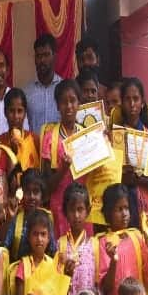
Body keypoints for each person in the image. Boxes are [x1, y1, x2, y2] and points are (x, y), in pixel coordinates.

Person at [40, 79, 87, 239]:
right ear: (58, 106)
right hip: (59, 207)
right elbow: (46, 187)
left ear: (79, 103)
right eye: (63, 102)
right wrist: (63, 169)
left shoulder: (87, 136)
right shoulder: (50, 138)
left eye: (73, 100)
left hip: (83, 207)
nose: (69, 106)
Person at [97, 184, 148, 295]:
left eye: (126, 208)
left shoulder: (137, 236)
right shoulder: (103, 242)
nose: (125, 214)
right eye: (119, 209)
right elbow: (106, 287)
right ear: (108, 213)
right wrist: (113, 261)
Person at [117, 77, 148, 225]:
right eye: (127, 99)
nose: (132, 104)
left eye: (136, 98)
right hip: (121, 208)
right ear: (122, 102)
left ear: (142, 103)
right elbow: (110, 176)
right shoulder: (116, 136)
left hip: (145, 207)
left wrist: (138, 179)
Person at [58, 183, 102, 295]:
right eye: (72, 210)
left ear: (88, 211)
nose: (76, 215)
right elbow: (56, 285)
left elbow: (99, 284)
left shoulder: (95, 245)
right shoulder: (60, 245)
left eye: (80, 209)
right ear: (65, 213)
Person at [2, 168, 55, 262]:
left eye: (36, 192)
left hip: (42, 270)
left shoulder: (47, 218)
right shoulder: (16, 218)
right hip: (19, 270)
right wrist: (9, 219)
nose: (31, 197)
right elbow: (5, 247)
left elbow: (53, 250)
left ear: (41, 195)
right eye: (27, 192)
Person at [14, 209, 56, 295]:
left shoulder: (53, 265)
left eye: (43, 234)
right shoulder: (23, 265)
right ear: (28, 237)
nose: (39, 239)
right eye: (35, 234)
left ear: (49, 238)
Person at [24, 34, 63, 134]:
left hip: (59, 147)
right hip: (34, 148)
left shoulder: (64, 89)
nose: (42, 60)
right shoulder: (26, 92)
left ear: (54, 56)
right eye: (38, 56)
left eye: (46, 55)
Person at [0, 88, 39, 171]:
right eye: (11, 111)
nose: (16, 116)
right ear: (5, 113)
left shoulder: (34, 139)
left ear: (25, 113)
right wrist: (13, 151)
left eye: (20, 111)